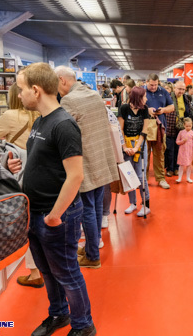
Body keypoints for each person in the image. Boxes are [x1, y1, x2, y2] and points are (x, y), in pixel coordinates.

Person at [13, 62, 96, 336]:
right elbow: (45, 162)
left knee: (67, 273)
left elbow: (75, 176)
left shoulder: (64, 124)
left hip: (55, 216)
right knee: (48, 272)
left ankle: (83, 325)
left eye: (22, 89)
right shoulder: (40, 121)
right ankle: (58, 314)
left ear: (36, 90)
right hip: (36, 213)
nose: (20, 94)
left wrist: (54, 215)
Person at [56, 65, 119, 269]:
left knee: (88, 210)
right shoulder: (93, 94)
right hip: (101, 159)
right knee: (96, 207)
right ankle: (93, 246)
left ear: (62, 80)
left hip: (85, 161)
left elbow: (62, 132)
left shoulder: (69, 100)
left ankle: (92, 256)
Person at [0, 83, 44, 288]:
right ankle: (46, 267)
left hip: (20, 174)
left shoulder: (10, 116)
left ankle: (35, 272)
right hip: (41, 175)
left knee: (24, 221)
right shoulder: (40, 114)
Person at [118, 86, 151, 216]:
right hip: (126, 143)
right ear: (138, 98)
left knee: (140, 176)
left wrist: (137, 147)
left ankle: (145, 204)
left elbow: (145, 130)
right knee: (129, 175)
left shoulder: (145, 109)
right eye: (144, 96)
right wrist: (125, 147)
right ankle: (133, 203)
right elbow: (120, 129)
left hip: (140, 144)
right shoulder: (124, 108)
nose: (146, 98)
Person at [144, 73, 175, 189]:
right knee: (144, 154)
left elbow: (172, 107)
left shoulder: (163, 91)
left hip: (160, 128)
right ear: (147, 82)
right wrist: (147, 110)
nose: (153, 87)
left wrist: (163, 110)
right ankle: (144, 179)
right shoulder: (141, 92)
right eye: (151, 85)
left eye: (155, 85)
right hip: (145, 127)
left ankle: (161, 179)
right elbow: (134, 106)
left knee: (160, 154)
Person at [165, 81, 191, 177]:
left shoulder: (185, 98)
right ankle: (170, 169)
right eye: (179, 89)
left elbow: (188, 111)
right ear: (174, 88)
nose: (181, 91)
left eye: (183, 89)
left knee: (179, 149)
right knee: (170, 149)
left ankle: (176, 168)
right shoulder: (169, 97)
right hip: (170, 127)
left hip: (181, 128)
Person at [175, 118, 193, 183]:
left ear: (192, 125)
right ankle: (179, 178)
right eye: (187, 126)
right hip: (182, 152)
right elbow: (177, 142)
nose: (188, 127)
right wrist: (182, 141)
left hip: (190, 152)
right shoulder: (181, 132)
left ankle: (188, 177)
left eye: (190, 126)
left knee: (189, 165)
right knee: (181, 165)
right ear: (184, 125)